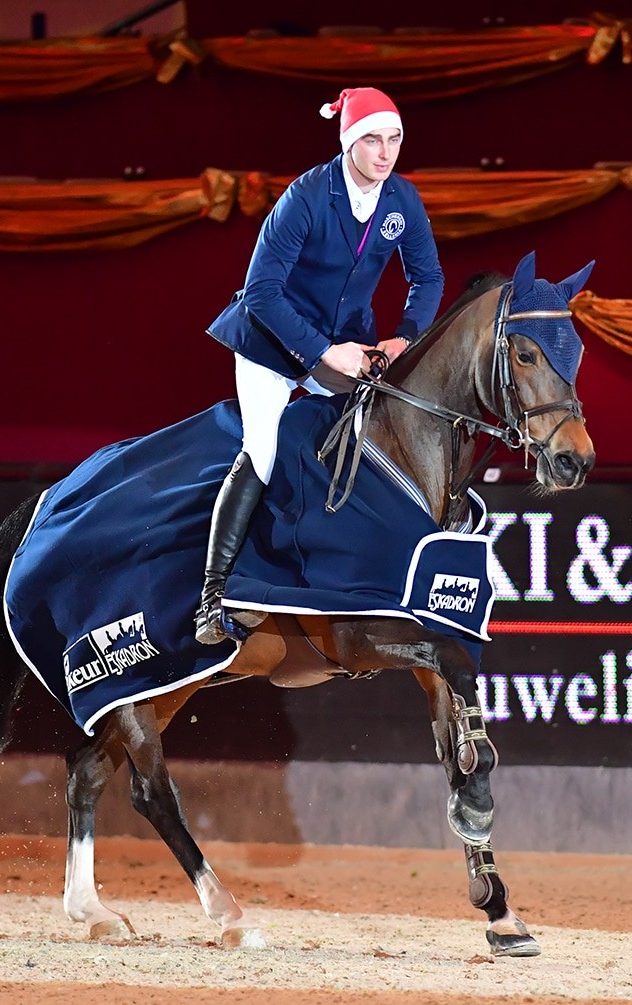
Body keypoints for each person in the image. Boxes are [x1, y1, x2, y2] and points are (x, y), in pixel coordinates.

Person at [196, 87, 445, 644]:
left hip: (345, 343)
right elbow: (261, 292)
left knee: (366, 439)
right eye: (374, 140)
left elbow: (428, 279)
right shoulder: (306, 197)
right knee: (262, 452)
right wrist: (324, 353)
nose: (386, 153)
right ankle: (212, 596)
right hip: (271, 341)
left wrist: (403, 338)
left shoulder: (402, 199)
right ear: (350, 142)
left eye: (395, 139)